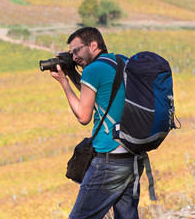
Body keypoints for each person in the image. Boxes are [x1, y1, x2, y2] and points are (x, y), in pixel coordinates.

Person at [50, 27, 144, 218]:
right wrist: (73, 75)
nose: (74, 57)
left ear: (93, 45)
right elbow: (100, 99)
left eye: (77, 50)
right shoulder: (122, 61)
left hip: (110, 160)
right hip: (134, 157)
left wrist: (64, 83)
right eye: (71, 53)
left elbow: (83, 116)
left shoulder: (93, 70)